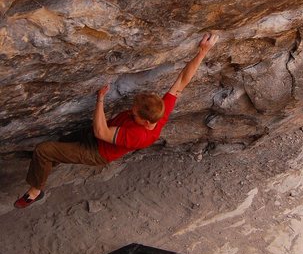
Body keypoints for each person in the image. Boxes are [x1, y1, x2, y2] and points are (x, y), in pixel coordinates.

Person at [14, 33, 218, 209]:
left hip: (96, 151)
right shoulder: (160, 110)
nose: (131, 111)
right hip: (100, 136)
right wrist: (203, 51)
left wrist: (100, 99)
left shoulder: (139, 135)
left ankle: (35, 190)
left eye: (135, 114)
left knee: (43, 150)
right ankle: (45, 163)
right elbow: (183, 80)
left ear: (146, 122)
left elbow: (100, 132)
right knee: (61, 143)